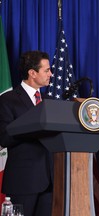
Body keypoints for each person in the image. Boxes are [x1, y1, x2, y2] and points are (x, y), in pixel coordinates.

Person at [0, 50, 53, 216]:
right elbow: (4, 137)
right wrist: (34, 127)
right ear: (32, 73)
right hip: (23, 180)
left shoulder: (49, 101)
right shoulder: (8, 99)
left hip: (50, 180)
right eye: (46, 70)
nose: (51, 74)